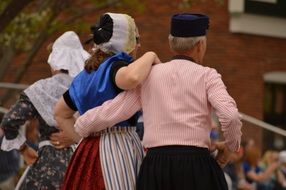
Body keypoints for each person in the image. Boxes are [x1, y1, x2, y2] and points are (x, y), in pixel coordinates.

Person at [72, 13, 243, 190]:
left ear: (171, 43)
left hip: (156, 167)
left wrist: (81, 125)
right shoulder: (208, 75)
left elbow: (113, 110)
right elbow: (230, 116)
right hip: (196, 164)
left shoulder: (151, 75)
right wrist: (231, 147)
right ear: (200, 45)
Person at [54, 13, 160, 190]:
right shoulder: (116, 67)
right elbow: (133, 78)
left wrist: (82, 140)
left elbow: (60, 113)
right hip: (119, 149)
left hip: (87, 151)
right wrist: (150, 55)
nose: (139, 44)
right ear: (123, 41)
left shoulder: (84, 75)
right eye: (135, 38)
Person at [0, 31, 89, 190]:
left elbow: (9, 121)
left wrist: (24, 149)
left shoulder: (41, 89)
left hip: (48, 167)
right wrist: (77, 136)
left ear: (54, 60)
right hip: (83, 165)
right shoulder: (90, 87)